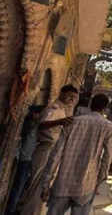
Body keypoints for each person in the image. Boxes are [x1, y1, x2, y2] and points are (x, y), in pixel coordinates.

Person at [40, 93, 112, 215]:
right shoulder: (108, 126)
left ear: (90, 105)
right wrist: (100, 179)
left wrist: (46, 182)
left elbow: (56, 154)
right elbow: (107, 156)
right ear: (105, 108)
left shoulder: (72, 122)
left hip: (63, 183)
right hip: (86, 184)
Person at [19, 84, 78, 215]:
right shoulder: (54, 107)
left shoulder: (63, 109)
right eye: (69, 96)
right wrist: (60, 122)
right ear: (62, 93)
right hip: (45, 147)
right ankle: (26, 210)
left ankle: (34, 210)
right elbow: (42, 125)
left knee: (44, 181)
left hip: (53, 149)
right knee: (35, 181)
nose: (71, 99)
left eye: (74, 97)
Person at [6, 105, 45, 215]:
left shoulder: (32, 125)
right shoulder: (31, 125)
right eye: (40, 113)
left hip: (26, 158)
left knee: (21, 186)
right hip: (24, 159)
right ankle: (10, 210)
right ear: (35, 114)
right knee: (18, 186)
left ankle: (13, 208)